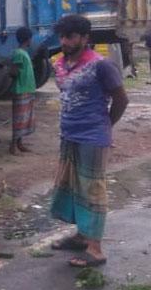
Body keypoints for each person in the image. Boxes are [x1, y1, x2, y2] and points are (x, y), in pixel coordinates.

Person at [48, 15, 128, 268]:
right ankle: (82, 235)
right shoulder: (60, 64)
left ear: (85, 38)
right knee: (73, 187)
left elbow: (121, 99)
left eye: (70, 36)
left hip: (93, 137)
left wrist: (105, 126)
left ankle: (95, 249)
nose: (65, 41)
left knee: (92, 190)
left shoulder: (101, 65)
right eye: (62, 36)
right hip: (69, 135)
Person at [10, 27, 37, 155]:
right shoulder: (19, 53)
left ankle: (19, 143)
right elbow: (14, 71)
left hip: (26, 88)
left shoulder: (23, 53)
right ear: (28, 39)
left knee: (24, 118)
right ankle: (13, 145)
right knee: (19, 118)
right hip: (21, 88)